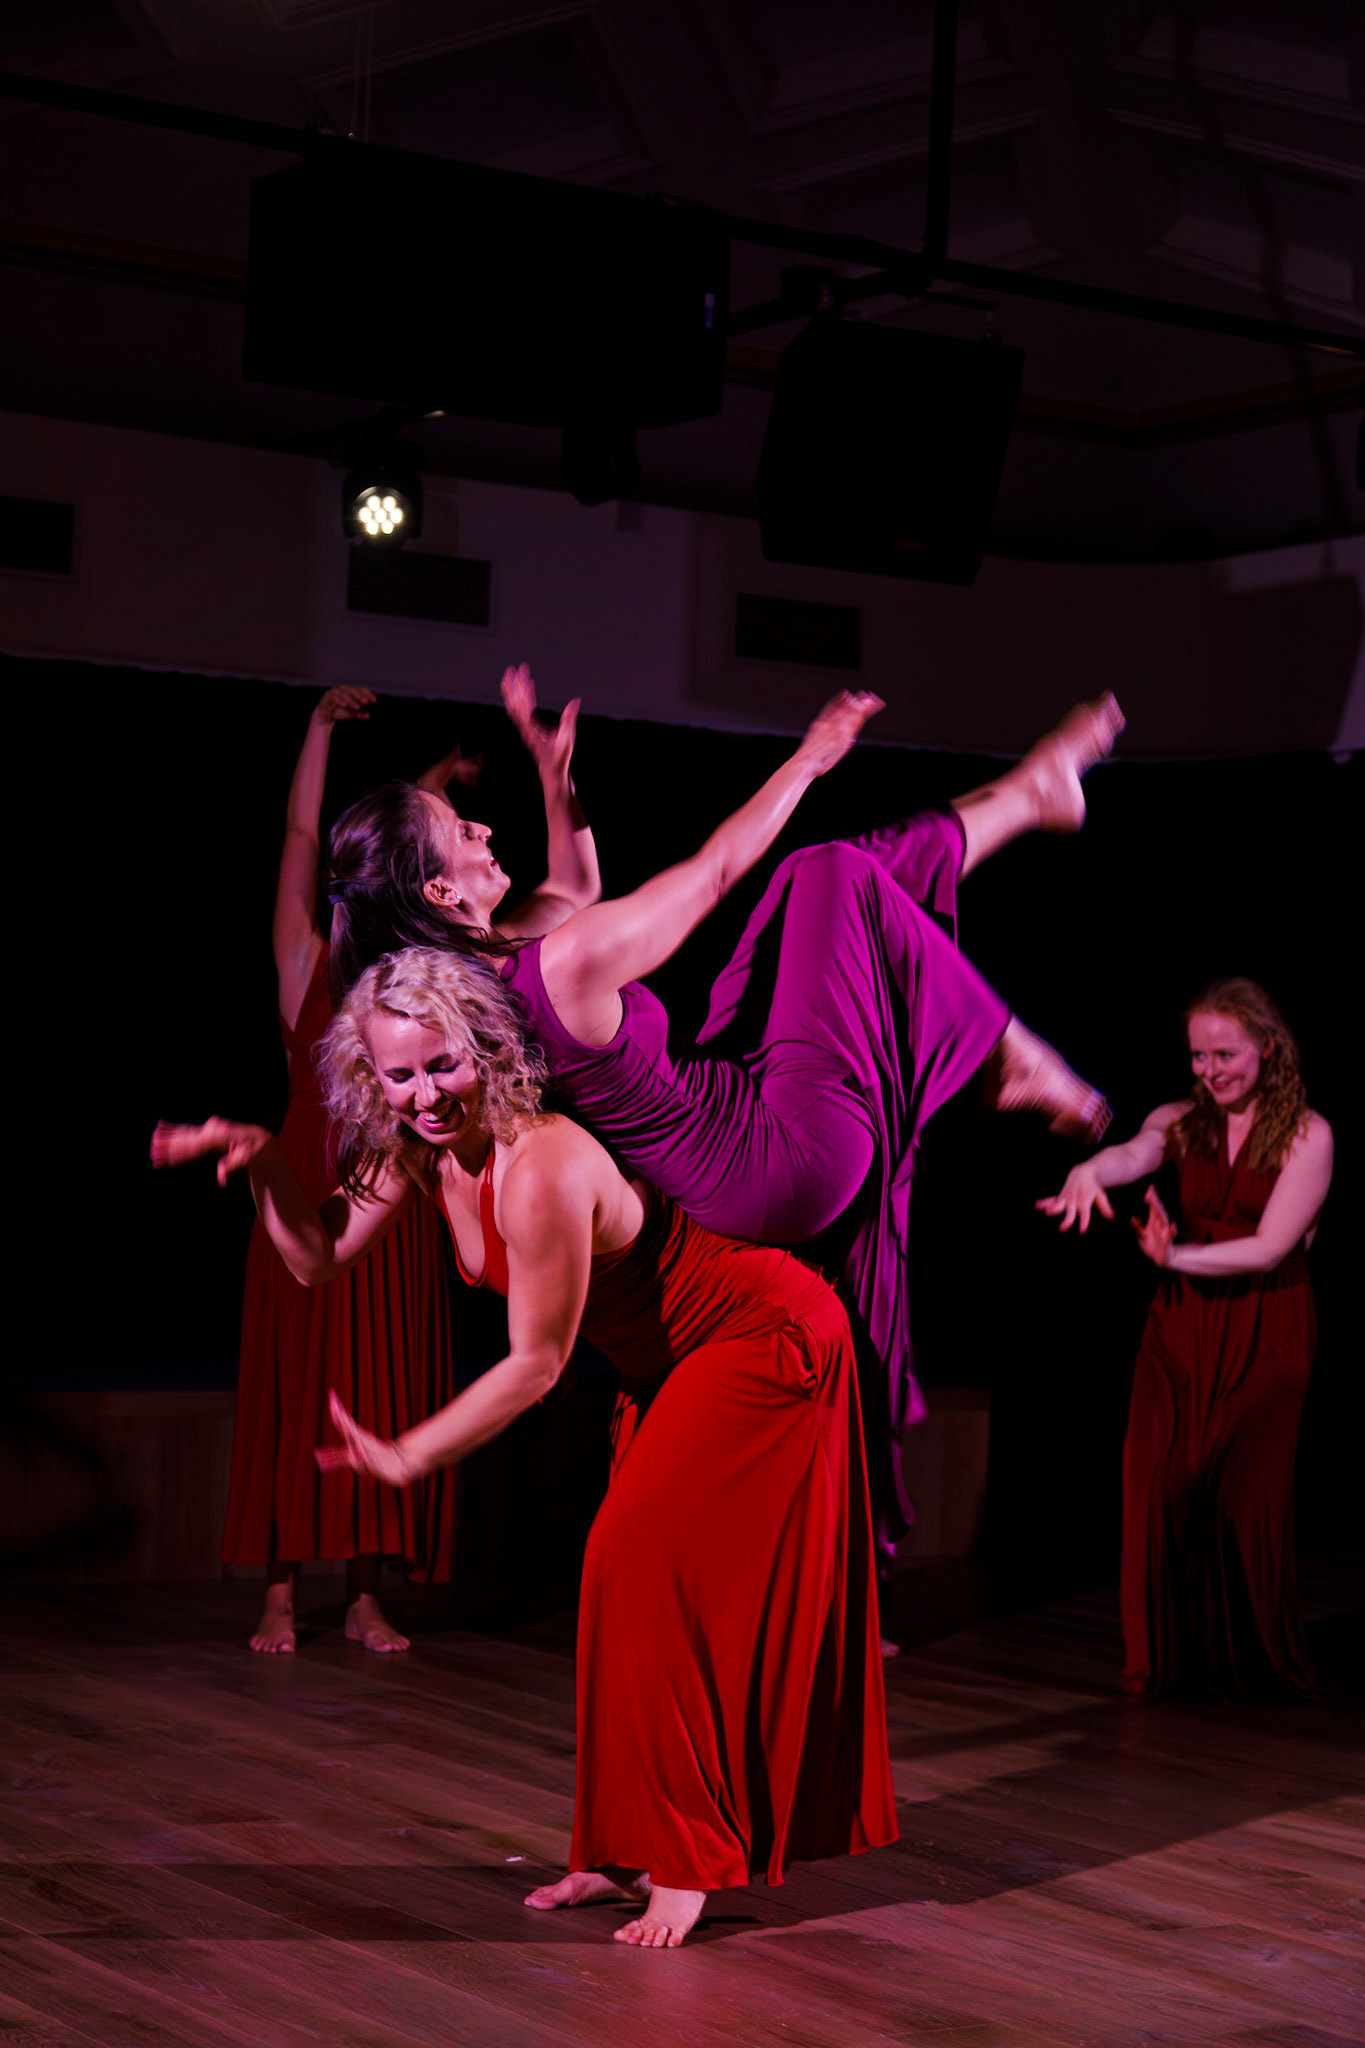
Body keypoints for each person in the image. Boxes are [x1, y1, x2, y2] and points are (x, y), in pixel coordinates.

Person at [152, 945, 897, 1949]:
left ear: (487, 1048)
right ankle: (615, 1844)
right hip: (670, 1361)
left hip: (757, 1337)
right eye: (399, 1073)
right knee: (615, 1581)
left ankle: (686, 1861)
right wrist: (271, 1165)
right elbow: (313, 1253)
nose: (423, 1092)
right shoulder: (416, 1149)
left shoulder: (542, 1161)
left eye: (442, 1064)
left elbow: (539, 1363)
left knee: (632, 1558)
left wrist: (411, 1452)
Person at [323, 686, 1123, 1557]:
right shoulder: (563, 965)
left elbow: (575, 883)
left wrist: (557, 780)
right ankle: (1006, 1056)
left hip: (731, 1135)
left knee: (842, 887)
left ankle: (1030, 797)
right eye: (461, 829)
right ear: (441, 886)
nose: (481, 829)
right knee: (833, 876)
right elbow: (709, 875)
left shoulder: (471, 995)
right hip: (779, 1157)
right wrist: (810, 756)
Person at [227, 669, 598, 1655]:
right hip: (323, 1172)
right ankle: (276, 1591)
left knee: (380, 1379)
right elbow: (311, 845)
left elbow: (478, 884)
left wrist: (499, 783)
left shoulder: (429, 976)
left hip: (396, 1169)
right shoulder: (312, 966)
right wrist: (314, 729)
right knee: (295, 1387)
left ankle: (362, 1590)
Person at [1038, 978, 1333, 1699]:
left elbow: (1268, 1248)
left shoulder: (1308, 1135)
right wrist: (1088, 1169)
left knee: (1242, 1496)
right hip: (1181, 1327)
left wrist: (1175, 1259)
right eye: (1197, 1056)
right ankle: (1166, 1659)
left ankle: (1251, 1659)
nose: (1208, 1070)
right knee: (1161, 1489)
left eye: (1224, 1053)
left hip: (1266, 1325)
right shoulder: (1180, 1119)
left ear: (1267, 1048)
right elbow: (1134, 1155)